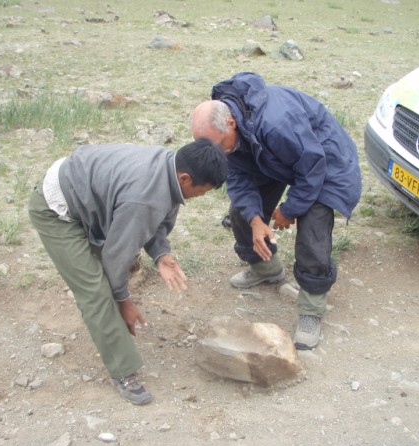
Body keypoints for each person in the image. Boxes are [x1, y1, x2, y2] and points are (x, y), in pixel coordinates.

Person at [28, 138, 227, 405]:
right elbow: (116, 255)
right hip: (57, 209)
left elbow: (151, 221)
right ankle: (123, 372)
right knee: (97, 291)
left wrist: (160, 254)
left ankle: (110, 323)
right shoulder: (144, 198)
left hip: (83, 188)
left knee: (109, 277)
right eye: (205, 190)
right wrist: (123, 300)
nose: (203, 195)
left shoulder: (168, 166)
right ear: (186, 178)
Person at [191, 72, 362, 350]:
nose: (220, 153)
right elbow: (238, 179)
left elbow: (311, 167)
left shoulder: (276, 122)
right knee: (242, 212)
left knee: (313, 232)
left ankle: (311, 310)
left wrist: (290, 209)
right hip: (271, 157)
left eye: (220, 145)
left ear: (231, 123)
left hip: (323, 161)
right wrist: (257, 221)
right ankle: (266, 269)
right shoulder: (227, 139)